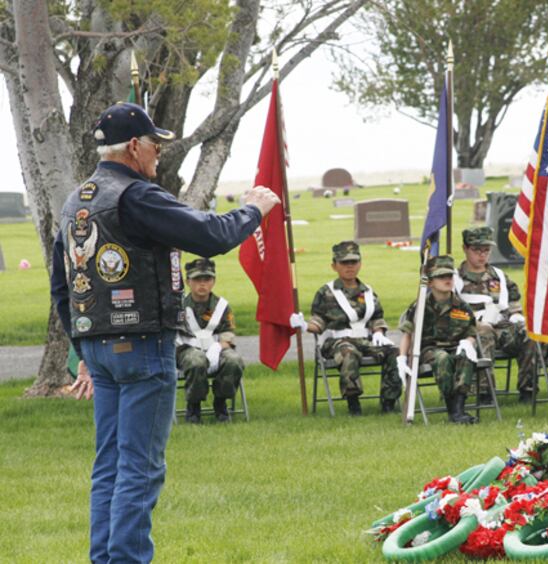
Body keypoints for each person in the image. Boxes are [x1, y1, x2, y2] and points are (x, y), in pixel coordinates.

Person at [50, 101, 280, 563]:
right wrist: (254, 210)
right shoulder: (136, 195)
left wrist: (84, 353)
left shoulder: (77, 201)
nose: (159, 152)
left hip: (98, 348)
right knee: (140, 467)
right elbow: (210, 234)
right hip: (143, 345)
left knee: (110, 466)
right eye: (155, 144)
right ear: (134, 146)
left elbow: (62, 284)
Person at [291, 241, 402, 415]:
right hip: (337, 342)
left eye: (353, 262)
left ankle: (389, 401)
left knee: (394, 352)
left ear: (360, 264)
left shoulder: (368, 292)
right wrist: (304, 325)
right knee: (349, 352)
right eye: (344, 263)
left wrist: (379, 333)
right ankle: (353, 402)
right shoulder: (326, 293)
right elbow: (318, 322)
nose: (349, 266)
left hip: (365, 339)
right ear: (334, 266)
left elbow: (377, 317)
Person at [454, 226, 537, 403]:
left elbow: (513, 299)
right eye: (477, 250)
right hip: (472, 330)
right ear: (465, 249)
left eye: (486, 250)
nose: (482, 255)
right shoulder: (456, 279)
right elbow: (451, 312)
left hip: (502, 327)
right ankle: (486, 392)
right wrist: (474, 323)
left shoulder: (498, 275)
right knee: (483, 334)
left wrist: (516, 315)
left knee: (529, 333)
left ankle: (528, 389)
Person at [398, 255, 479, 424]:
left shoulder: (461, 306)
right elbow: (408, 334)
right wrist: (402, 357)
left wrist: (468, 343)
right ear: (430, 282)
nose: (447, 280)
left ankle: (459, 409)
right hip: (429, 350)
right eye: (441, 277)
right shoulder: (420, 306)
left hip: (455, 346)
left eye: (449, 276)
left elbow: (471, 331)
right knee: (443, 358)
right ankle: (452, 408)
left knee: (466, 357)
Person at [176, 258, 244, 423]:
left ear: (214, 281)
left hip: (217, 348)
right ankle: (194, 406)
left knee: (234, 361)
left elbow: (228, 333)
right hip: (186, 350)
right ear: (188, 281)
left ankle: (220, 402)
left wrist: (218, 348)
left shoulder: (221, 306)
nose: (202, 284)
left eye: (207, 279)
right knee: (196, 361)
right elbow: (174, 335)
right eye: (197, 279)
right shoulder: (179, 307)